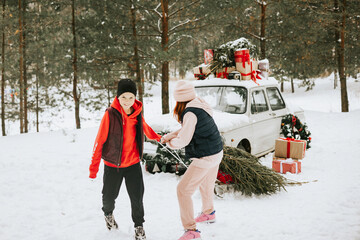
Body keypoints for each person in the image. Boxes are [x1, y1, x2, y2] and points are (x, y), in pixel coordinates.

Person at [89, 79, 161, 240]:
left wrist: (159, 138)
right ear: (118, 97)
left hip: (133, 164)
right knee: (108, 197)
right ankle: (108, 214)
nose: (127, 101)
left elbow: (146, 129)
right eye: (124, 97)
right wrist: (93, 168)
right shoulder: (110, 115)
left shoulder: (137, 113)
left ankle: (139, 226)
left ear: (135, 98)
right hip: (113, 165)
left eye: (130, 97)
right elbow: (99, 141)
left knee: (137, 198)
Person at [161, 80, 223, 240]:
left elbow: (184, 139)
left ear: (179, 99)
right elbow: (187, 129)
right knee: (205, 184)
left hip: (206, 156)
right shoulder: (199, 104)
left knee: (183, 190)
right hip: (216, 152)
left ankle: (191, 230)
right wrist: (170, 135)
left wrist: (170, 143)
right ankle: (209, 213)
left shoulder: (189, 113)